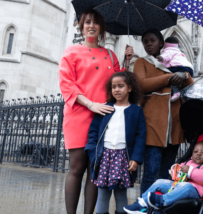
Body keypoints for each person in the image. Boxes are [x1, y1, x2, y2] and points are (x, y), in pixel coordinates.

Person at [59, 8, 134, 214]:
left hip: (103, 118)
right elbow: (67, 85)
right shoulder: (71, 52)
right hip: (79, 114)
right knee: (76, 167)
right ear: (81, 26)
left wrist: (126, 63)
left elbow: (119, 82)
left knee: (95, 170)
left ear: (101, 27)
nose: (91, 26)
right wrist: (90, 104)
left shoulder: (109, 54)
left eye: (95, 22)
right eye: (87, 22)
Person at [133, 29, 194, 195]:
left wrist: (184, 75)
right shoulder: (141, 62)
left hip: (174, 126)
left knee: (167, 174)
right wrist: (169, 78)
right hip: (152, 124)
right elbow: (141, 85)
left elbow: (191, 85)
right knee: (151, 172)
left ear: (161, 43)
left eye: (152, 40)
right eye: (145, 41)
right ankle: (145, 207)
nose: (148, 43)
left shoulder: (175, 60)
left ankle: (160, 208)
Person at [84, 72, 146, 214]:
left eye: (120, 86)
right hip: (103, 155)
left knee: (120, 193)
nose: (117, 89)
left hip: (123, 157)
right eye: (113, 87)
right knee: (103, 193)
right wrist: (92, 152)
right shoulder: (105, 108)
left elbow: (140, 137)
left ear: (129, 88)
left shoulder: (136, 111)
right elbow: (93, 132)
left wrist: (136, 158)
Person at [123, 140, 203, 213]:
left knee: (187, 186)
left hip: (195, 191)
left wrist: (190, 171)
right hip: (177, 186)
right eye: (196, 151)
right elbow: (177, 171)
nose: (199, 154)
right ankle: (142, 203)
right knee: (160, 182)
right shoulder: (188, 162)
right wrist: (175, 170)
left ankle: (163, 200)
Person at [156, 37, 194, 102]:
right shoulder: (178, 51)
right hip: (188, 68)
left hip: (177, 67)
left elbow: (166, 56)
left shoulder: (168, 50)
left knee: (172, 78)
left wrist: (160, 58)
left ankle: (176, 92)